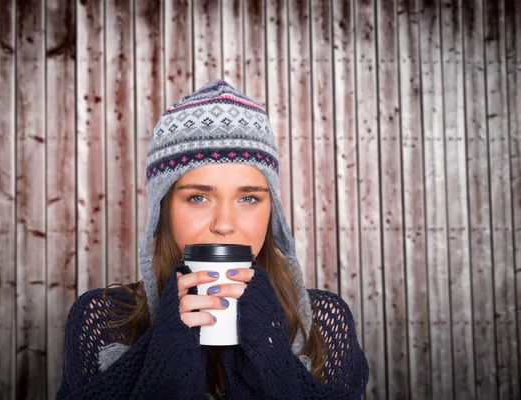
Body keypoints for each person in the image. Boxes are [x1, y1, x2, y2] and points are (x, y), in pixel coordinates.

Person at [56, 79, 369, 399]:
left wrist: (272, 359)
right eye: (198, 198)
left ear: (272, 212)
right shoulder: (103, 320)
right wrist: (163, 357)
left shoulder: (323, 323)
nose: (224, 225)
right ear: (162, 211)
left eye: (248, 199)